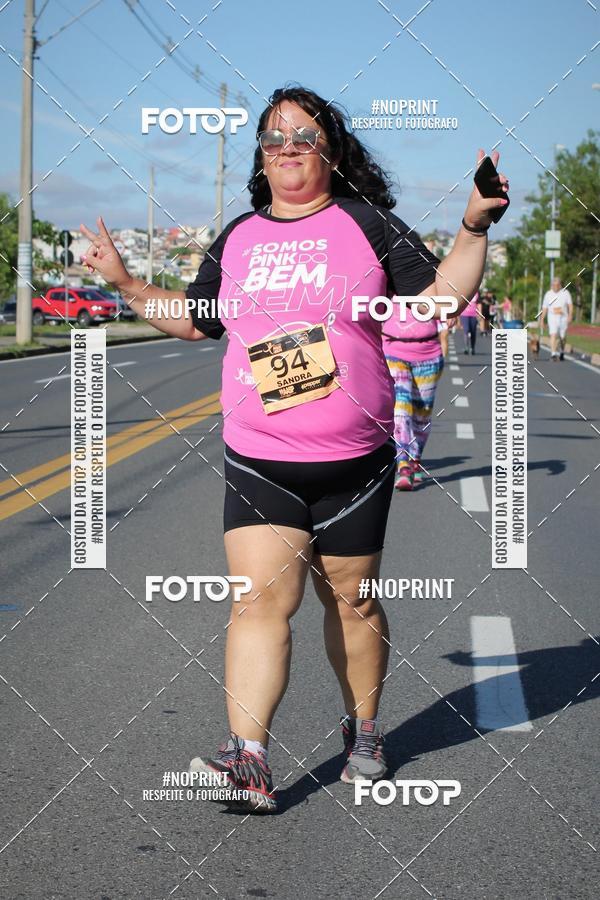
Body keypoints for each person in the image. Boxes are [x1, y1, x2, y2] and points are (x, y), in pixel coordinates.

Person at [80, 85, 508, 814]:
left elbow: (439, 298)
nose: (286, 147)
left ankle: (365, 728)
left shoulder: (367, 225)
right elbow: (195, 321)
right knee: (257, 602)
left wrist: (473, 226)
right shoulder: (240, 237)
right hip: (259, 456)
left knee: (353, 602)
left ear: (331, 152)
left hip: (353, 462)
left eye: (303, 135)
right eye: (273, 137)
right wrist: (122, 281)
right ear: (261, 155)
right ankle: (248, 758)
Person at [382, 307, 445, 490]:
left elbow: (450, 302)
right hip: (392, 351)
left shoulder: (433, 280)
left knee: (422, 416)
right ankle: (403, 464)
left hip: (428, 355)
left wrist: (451, 314)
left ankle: (415, 459)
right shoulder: (386, 281)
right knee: (400, 411)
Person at [540, 277, 573, 361]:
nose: (555, 287)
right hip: (552, 317)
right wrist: (542, 319)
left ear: (560, 285)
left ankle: (562, 351)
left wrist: (570, 315)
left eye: (556, 285)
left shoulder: (565, 293)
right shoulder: (548, 294)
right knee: (553, 334)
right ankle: (553, 354)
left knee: (562, 336)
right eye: (553, 285)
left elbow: (570, 305)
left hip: (563, 317)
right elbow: (544, 308)